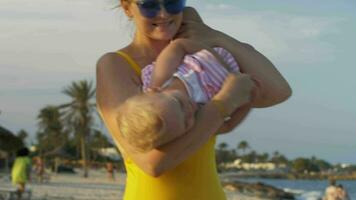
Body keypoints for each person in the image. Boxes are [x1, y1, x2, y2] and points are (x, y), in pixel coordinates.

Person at [96, 1, 291, 199]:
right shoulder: (115, 65)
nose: (163, 14)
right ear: (127, 7)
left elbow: (279, 90)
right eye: (149, 4)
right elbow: (151, 163)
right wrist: (224, 103)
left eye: (173, 2)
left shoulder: (199, 60)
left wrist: (217, 37)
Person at [117, 39, 249, 152]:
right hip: (243, 76)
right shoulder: (201, 113)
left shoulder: (161, 78)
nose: (190, 111)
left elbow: (179, 46)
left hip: (216, 51)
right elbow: (227, 126)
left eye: (179, 104)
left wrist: (216, 58)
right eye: (186, 123)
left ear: (155, 90)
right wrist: (249, 99)